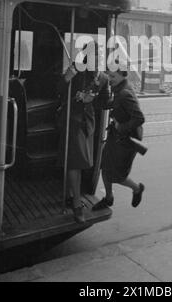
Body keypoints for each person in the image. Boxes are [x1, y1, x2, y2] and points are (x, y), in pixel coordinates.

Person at [57, 42, 109, 224]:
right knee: (75, 162)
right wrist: (66, 79)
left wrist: (94, 98)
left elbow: (105, 103)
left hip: (88, 123)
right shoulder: (76, 72)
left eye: (99, 56)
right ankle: (77, 204)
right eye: (93, 56)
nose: (97, 59)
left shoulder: (103, 78)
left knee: (79, 162)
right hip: (72, 120)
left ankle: (72, 194)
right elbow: (60, 92)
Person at [92, 67, 145, 211]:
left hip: (126, 141)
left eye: (113, 76)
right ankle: (108, 198)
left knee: (118, 175)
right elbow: (109, 104)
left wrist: (122, 127)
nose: (110, 79)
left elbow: (139, 118)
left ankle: (137, 189)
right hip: (115, 137)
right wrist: (97, 91)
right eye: (109, 76)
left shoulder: (124, 93)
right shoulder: (118, 89)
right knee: (105, 167)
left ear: (123, 76)